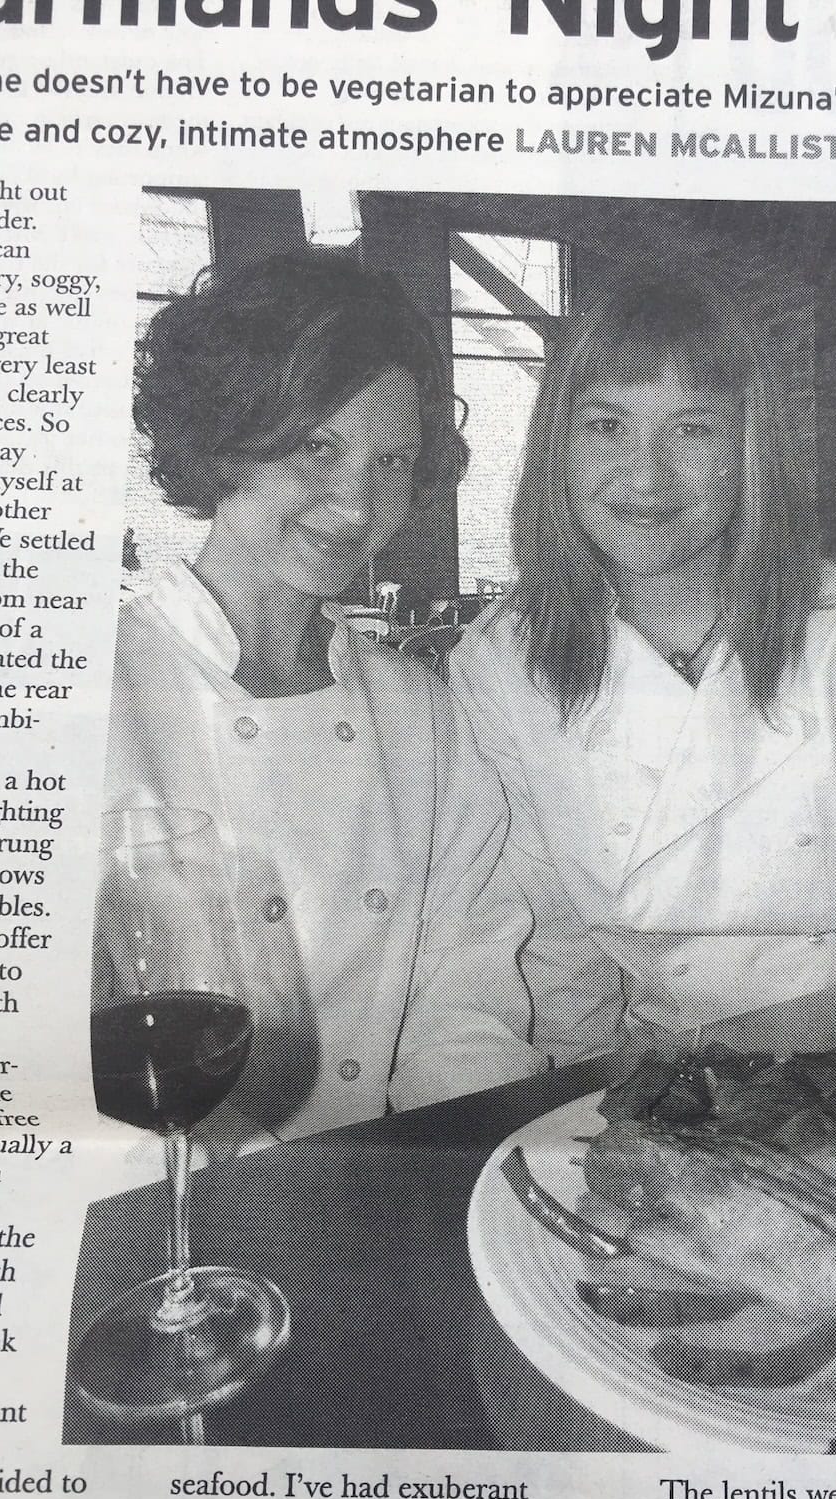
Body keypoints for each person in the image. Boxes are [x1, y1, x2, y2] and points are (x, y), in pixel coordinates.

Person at [449, 278, 836, 1065]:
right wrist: (579, 1096)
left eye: (692, 429)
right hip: (677, 1067)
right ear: (558, 447)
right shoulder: (503, 660)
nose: (645, 475)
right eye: (607, 425)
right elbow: (554, 944)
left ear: (748, 450)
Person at [103, 249, 544, 1144]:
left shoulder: (421, 714)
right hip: (147, 1204)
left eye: (392, 460)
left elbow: (464, 1003)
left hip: (371, 1186)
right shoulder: (92, 691)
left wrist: (460, 1169)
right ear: (224, 441)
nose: (355, 502)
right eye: (317, 447)